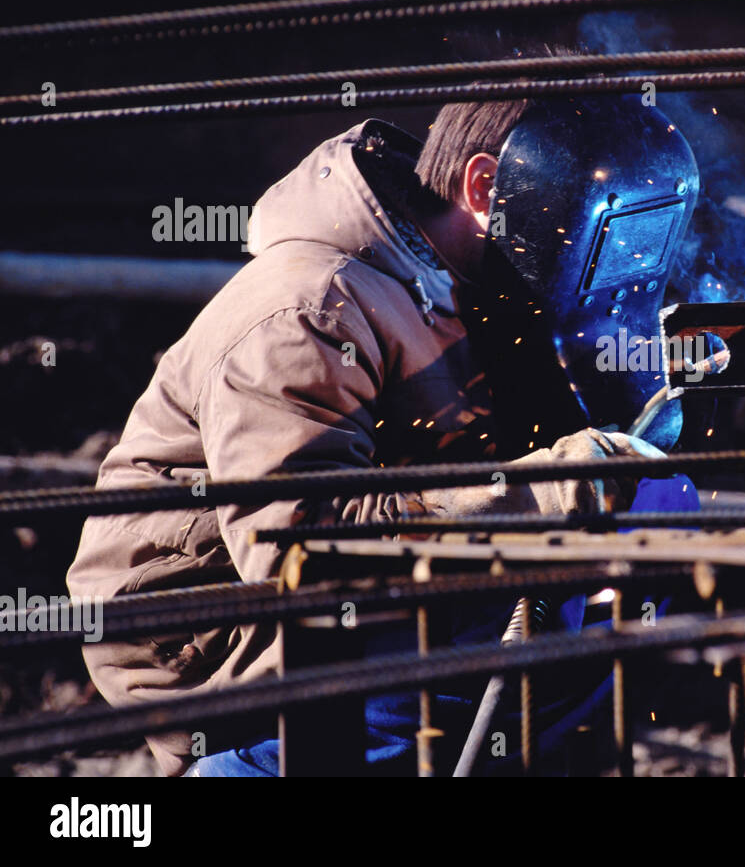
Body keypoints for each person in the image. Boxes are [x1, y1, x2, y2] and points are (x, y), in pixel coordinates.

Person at [66, 92, 701, 776]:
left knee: (606, 625)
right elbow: (301, 550)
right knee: (462, 688)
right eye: (590, 228)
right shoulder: (307, 308)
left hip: (376, 608)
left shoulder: (474, 284)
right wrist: (549, 494)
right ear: (486, 188)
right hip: (210, 641)